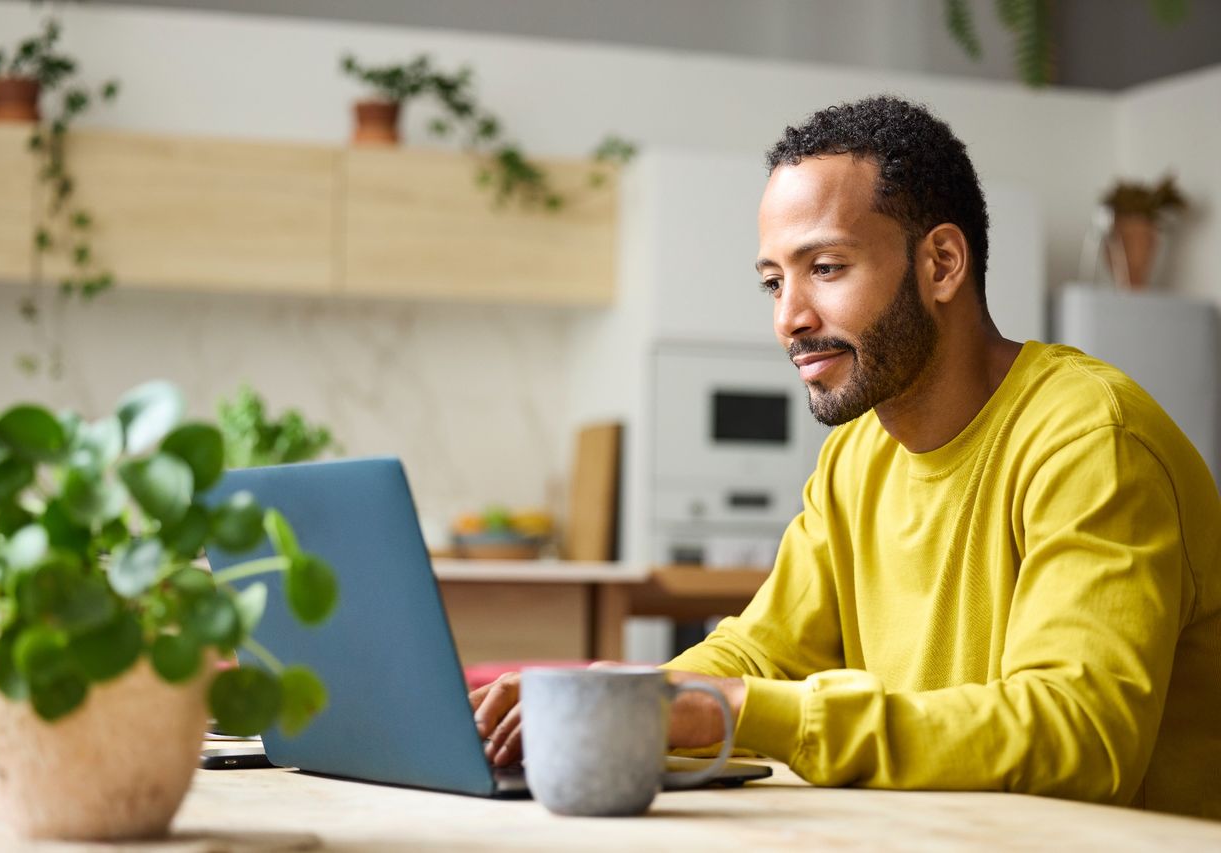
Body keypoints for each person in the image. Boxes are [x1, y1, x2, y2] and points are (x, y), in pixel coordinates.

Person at [469, 95, 1221, 819]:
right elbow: (762, 654)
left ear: (943, 264)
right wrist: (617, 699)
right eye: (773, 281)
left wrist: (732, 711)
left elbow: (1077, 734)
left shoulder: (1091, 438)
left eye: (825, 267)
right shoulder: (857, 455)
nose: (789, 318)